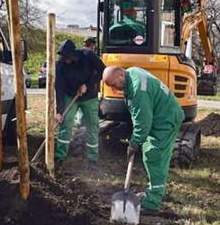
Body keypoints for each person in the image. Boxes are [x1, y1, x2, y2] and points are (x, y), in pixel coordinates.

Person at [101, 66, 184, 211]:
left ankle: (153, 202)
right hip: (160, 116)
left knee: (154, 156)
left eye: (114, 85)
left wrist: (134, 143)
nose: (114, 89)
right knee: (149, 154)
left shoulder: (139, 89)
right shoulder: (131, 73)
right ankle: (153, 192)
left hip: (165, 119)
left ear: (121, 75)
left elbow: (143, 122)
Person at [55, 39, 106, 163]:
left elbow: (103, 71)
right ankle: (59, 156)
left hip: (89, 96)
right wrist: (59, 111)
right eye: (63, 57)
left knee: (92, 125)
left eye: (67, 57)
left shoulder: (88, 55)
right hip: (70, 95)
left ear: (73, 54)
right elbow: (60, 88)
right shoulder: (61, 65)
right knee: (65, 122)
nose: (65, 59)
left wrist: (88, 84)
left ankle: (92, 158)